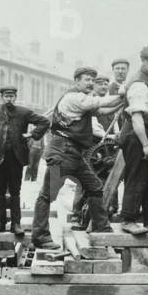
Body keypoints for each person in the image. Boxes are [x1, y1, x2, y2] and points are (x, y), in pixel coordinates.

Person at [32, 66, 124, 249]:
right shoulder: (73, 98)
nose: (90, 83)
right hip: (62, 152)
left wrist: (123, 102)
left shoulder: (81, 99)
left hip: (74, 153)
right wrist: (123, 95)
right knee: (47, 195)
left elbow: (103, 111)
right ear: (76, 81)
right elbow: (101, 102)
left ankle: (101, 228)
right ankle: (40, 236)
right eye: (87, 80)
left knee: (95, 187)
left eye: (92, 80)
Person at [0, 85, 50, 235]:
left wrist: (32, 134)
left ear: (15, 97)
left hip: (16, 158)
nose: (9, 99)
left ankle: (16, 224)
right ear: (2, 98)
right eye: (6, 96)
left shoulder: (23, 112)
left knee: (15, 191)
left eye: (11, 96)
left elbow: (44, 122)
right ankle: (0, 223)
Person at [121, 46, 148, 236]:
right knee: (137, 176)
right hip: (137, 135)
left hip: (147, 133)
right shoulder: (140, 85)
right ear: (144, 61)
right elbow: (137, 118)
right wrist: (146, 145)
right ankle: (128, 220)